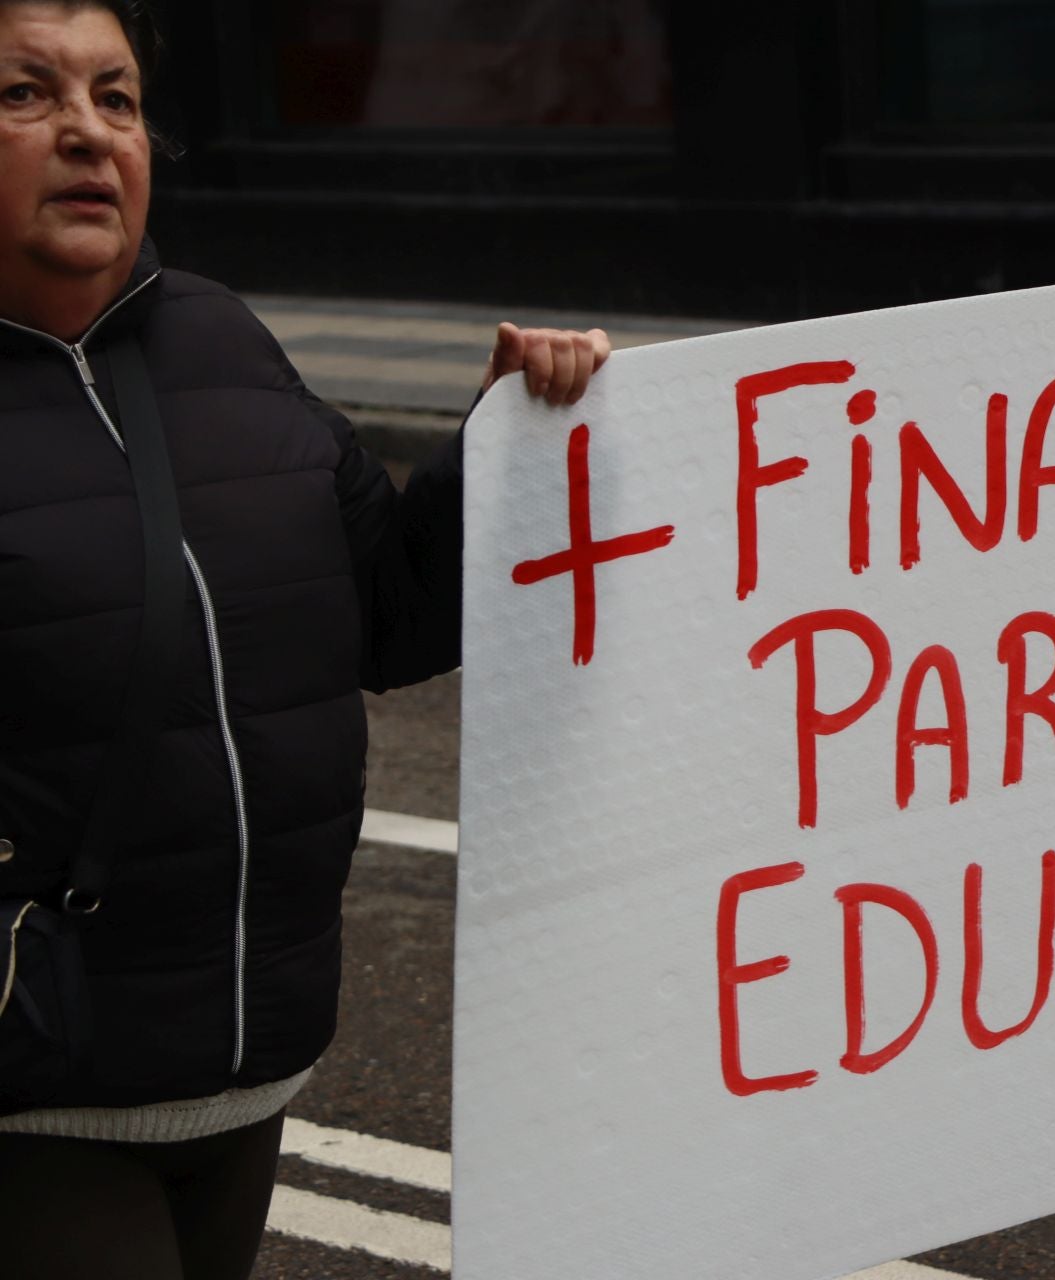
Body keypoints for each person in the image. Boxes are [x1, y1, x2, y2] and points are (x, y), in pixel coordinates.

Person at [0, 2, 612, 1275]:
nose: (86, 133)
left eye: (114, 98)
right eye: (25, 94)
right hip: (31, 1089)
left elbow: (387, 615)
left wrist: (508, 452)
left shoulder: (223, 340)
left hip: (246, 1065)